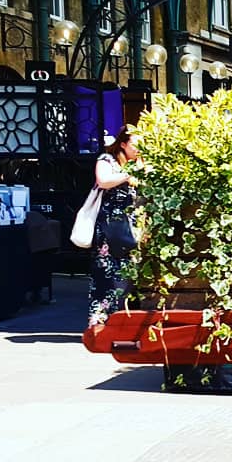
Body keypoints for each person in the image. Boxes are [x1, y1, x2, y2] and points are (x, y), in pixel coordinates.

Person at [88, 126, 139, 326]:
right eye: (135, 144)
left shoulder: (142, 162)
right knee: (106, 271)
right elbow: (103, 181)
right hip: (111, 225)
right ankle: (101, 318)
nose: (138, 149)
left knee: (131, 272)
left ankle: (128, 317)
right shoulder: (107, 160)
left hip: (134, 225)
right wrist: (128, 174)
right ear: (123, 144)